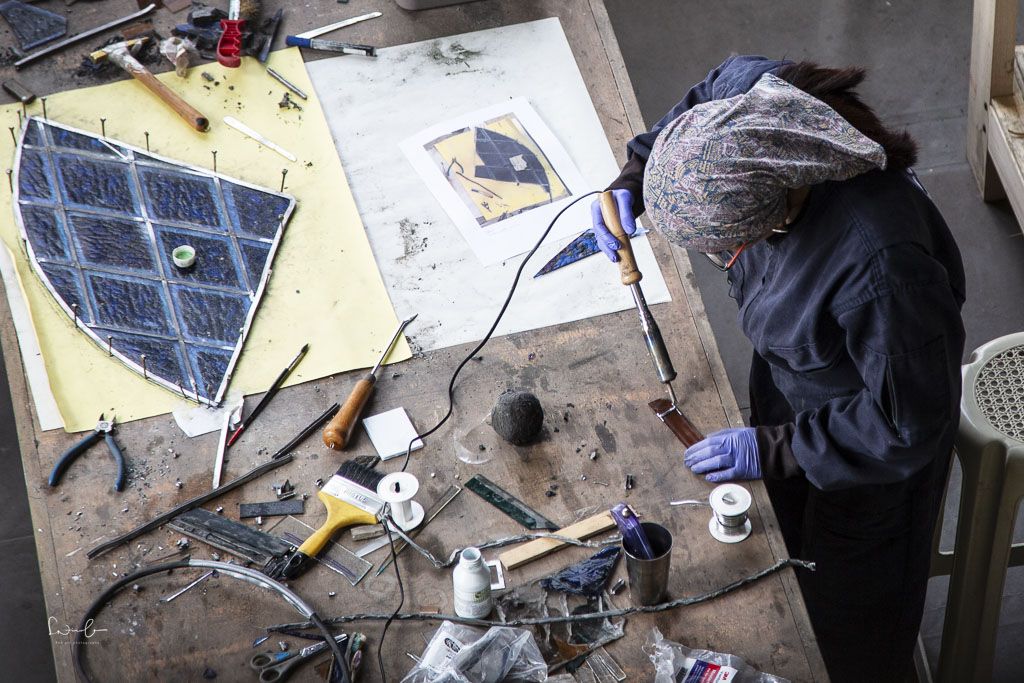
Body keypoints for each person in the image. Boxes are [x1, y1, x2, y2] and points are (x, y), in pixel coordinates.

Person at [591, 56, 966, 683]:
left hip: (872, 458)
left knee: (851, 619)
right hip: (795, 382)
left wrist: (780, 448)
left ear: (778, 209)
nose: (726, 260)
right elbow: (705, 97)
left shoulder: (881, 271)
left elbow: (907, 424)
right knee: (787, 543)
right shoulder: (758, 109)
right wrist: (636, 177)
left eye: (728, 248)